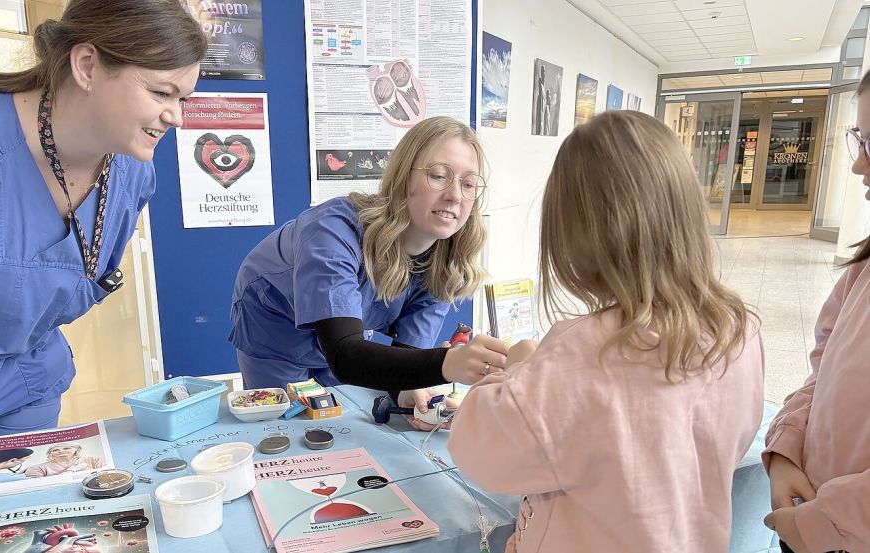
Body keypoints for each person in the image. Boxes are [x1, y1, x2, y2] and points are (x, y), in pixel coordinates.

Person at [0, 0, 206, 522]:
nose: (176, 115)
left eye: (183, 97)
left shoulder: (130, 173)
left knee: (37, 518)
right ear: (86, 66)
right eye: (161, 92)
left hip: (30, 379)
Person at [447, 110, 764, 552]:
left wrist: (520, 371)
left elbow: (477, 450)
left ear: (574, 234)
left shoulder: (585, 349)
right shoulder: (740, 329)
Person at [229, 116, 509, 423]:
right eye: (439, 176)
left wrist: (407, 391)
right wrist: (450, 362)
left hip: (344, 342)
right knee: (284, 423)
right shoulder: (333, 230)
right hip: (274, 321)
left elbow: (406, 359)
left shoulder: (443, 265)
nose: (456, 195)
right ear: (403, 178)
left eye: (468, 184)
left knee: (340, 416)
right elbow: (346, 355)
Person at [762, 69, 870, 553]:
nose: (858, 165)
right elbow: (822, 369)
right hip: (809, 513)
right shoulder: (861, 272)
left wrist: (832, 519)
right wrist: (785, 448)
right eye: (860, 139)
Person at [24, 443, 102, 478]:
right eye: (56, 450)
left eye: (67, 448)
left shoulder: (93, 460)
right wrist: (71, 470)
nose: (61, 451)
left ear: (76, 450)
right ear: (51, 453)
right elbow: (38, 488)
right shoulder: (36, 468)